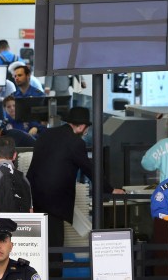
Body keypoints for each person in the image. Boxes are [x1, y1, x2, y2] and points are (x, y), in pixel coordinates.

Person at [26, 107, 124, 277]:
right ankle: (54, 275)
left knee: (41, 242)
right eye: (86, 128)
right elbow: (90, 169)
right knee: (55, 244)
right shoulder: (75, 142)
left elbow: (34, 166)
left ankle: (38, 274)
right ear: (81, 126)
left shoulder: (47, 134)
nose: (86, 132)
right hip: (55, 200)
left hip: (35, 195)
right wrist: (109, 189)